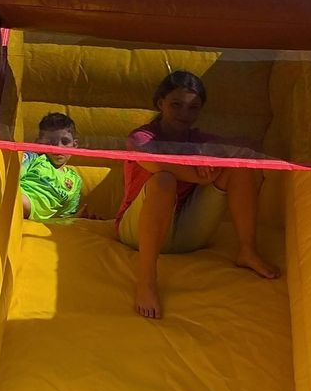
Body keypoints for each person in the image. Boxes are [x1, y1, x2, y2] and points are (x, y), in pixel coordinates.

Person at [115, 70, 279, 320]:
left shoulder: (198, 139)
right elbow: (152, 161)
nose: (184, 114)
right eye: (176, 105)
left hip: (186, 232)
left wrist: (207, 152)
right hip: (137, 234)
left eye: (192, 108)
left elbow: (250, 147)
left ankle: (247, 250)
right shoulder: (142, 136)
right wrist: (196, 171)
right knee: (164, 180)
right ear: (160, 103)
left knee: (240, 166)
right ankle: (146, 281)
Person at [20, 112, 83, 222]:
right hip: (21, 202)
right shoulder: (34, 158)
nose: (58, 147)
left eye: (65, 142)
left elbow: (66, 213)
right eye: (51, 143)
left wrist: (78, 217)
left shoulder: (74, 180)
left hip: (44, 222)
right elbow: (13, 178)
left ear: (75, 145)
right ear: (38, 143)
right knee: (21, 201)